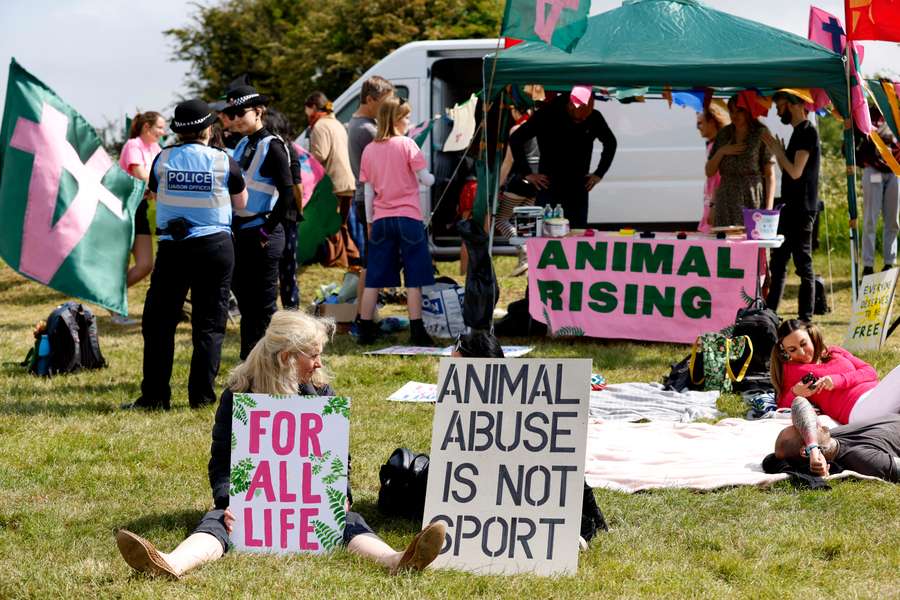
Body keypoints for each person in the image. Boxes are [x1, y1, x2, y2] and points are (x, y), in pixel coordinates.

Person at [115, 310, 447, 578]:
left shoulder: (320, 394)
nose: (319, 363)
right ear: (287, 357)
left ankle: (396, 560)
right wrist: (234, 501)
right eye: (313, 355)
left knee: (347, 520)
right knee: (217, 520)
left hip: (309, 505)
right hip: (255, 504)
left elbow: (337, 460)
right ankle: (170, 563)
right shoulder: (239, 395)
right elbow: (221, 463)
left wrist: (340, 495)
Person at [124, 99, 247, 410]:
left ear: (178, 132)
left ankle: (154, 396)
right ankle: (202, 398)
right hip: (215, 247)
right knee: (209, 324)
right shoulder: (223, 160)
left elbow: (153, 191)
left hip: (174, 249)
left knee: (159, 324)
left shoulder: (162, 160)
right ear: (208, 129)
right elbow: (242, 203)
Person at [357, 97, 436, 346]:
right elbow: (426, 179)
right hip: (409, 218)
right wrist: (434, 176)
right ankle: (417, 330)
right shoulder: (408, 145)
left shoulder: (369, 149)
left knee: (374, 278)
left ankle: (365, 329)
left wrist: (370, 220)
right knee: (414, 277)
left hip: (381, 219)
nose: (409, 121)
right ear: (397, 119)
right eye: (407, 117)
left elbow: (368, 190)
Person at [224, 84, 294, 360]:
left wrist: (267, 228)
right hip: (241, 232)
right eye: (232, 113)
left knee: (263, 308)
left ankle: (273, 365)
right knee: (247, 306)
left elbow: (288, 193)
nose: (236, 118)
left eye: (241, 112)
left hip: (263, 233)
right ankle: (249, 363)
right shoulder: (242, 143)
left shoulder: (273, 146)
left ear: (259, 111)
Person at [508, 85, 617, 228]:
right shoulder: (547, 114)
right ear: (570, 105)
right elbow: (516, 139)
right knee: (546, 233)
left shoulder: (594, 117)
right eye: (579, 117)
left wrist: (599, 173)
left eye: (587, 115)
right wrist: (527, 173)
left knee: (577, 233)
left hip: (578, 186)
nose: (583, 119)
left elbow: (611, 143)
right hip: (548, 185)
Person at [761, 91, 821, 322]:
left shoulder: (807, 131)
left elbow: (795, 171)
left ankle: (805, 319)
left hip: (802, 209)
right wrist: (780, 150)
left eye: (780, 105)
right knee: (778, 262)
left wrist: (777, 151)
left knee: (802, 263)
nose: (777, 111)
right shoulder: (798, 132)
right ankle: (770, 313)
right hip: (790, 207)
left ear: (794, 104)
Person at [770, 319, 900, 424]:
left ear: (812, 337)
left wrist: (837, 380)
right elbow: (781, 407)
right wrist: (795, 392)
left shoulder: (834, 351)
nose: (802, 353)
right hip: (856, 409)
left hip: (876, 394)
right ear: (785, 352)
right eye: (792, 350)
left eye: (804, 344)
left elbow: (870, 372)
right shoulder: (791, 370)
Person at [114, 111, 166, 325]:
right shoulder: (133, 145)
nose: (164, 132)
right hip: (123, 209)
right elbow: (141, 174)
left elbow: (162, 173)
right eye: (160, 128)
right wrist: (162, 187)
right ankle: (116, 308)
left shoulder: (156, 148)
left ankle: (110, 295)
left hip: (141, 208)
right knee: (120, 262)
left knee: (145, 264)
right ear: (147, 128)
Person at [348, 76, 395, 312]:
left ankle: (365, 311)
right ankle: (363, 313)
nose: (388, 108)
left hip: (365, 197)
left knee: (371, 258)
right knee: (371, 261)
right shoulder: (367, 129)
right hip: (369, 199)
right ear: (370, 100)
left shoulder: (360, 124)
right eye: (384, 103)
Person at [773, 396, 900, 482]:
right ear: (804, 450)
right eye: (803, 430)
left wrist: (813, 448)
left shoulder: (830, 437)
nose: (813, 424)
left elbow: (799, 402)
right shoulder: (861, 458)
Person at [306, 91, 359, 269]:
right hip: (347, 181)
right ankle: (353, 256)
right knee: (341, 224)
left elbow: (320, 155)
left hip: (333, 182)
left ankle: (336, 261)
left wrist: (305, 160)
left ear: (313, 107)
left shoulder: (320, 126)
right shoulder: (336, 123)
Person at [705, 94, 776, 227]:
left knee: (751, 243)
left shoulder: (761, 133)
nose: (734, 115)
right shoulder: (724, 134)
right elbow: (709, 172)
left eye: (739, 111)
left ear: (748, 111)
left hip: (752, 197)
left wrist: (769, 208)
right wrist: (722, 151)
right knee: (726, 244)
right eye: (731, 111)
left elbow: (770, 175)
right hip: (726, 199)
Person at [264, 107, 304, 309]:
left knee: (267, 268)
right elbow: (297, 185)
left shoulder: (260, 148)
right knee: (288, 267)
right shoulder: (289, 148)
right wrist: (300, 210)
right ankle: (292, 310)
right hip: (287, 215)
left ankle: (269, 310)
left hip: (264, 215)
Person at [856, 107, 900, 275]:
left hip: (895, 170)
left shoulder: (896, 113)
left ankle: (890, 262)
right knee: (870, 219)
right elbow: (859, 136)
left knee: (893, 220)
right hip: (873, 169)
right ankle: (868, 265)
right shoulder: (867, 111)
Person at [695, 102, 730, 233]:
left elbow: (718, 179)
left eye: (700, 123)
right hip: (711, 202)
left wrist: (713, 207)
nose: (698, 127)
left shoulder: (717, 146)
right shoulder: (714, 144)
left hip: (715, 204)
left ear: (712, 121)